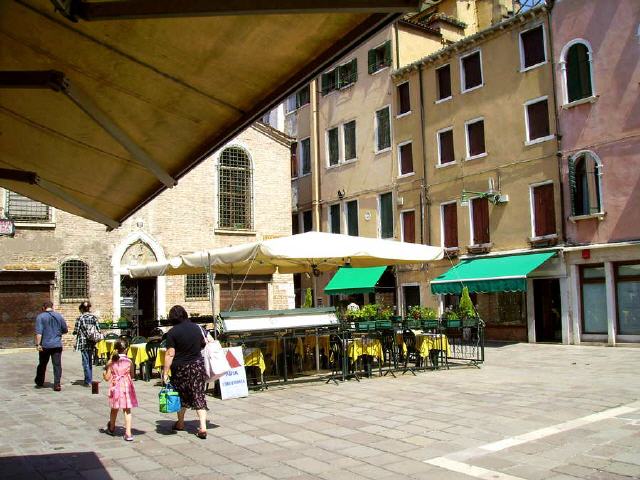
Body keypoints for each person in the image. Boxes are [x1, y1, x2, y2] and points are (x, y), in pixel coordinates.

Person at [162, 305, 210, 439]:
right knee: (198, 394)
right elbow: (205, 343)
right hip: (196, 366)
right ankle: (203, 427)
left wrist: (165, 372)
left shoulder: (172, 333)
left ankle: (181, 423)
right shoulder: (197, 328)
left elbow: (170, 354)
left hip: (180, 369)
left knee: (181, 396)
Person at [103, 339, 138, 441]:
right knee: (127, 410)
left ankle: (112, 427)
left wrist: (104, 374)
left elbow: (107, 378)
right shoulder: (129, 361)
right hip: (126, 387)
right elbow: (132, 375)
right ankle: (128, 433)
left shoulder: (111, 362)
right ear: (126, 349)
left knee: (114, 409)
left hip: (116, 387)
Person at [34, 301, 68, 391]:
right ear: (52, 306)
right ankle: (57, 384)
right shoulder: (59, 316)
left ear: (43, 307)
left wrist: (38, 344)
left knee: (42, 364)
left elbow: (39, 333)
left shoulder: (40, 317)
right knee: (57, 365)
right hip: (57, 344)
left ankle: (40, 381)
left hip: (45, 345)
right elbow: (65, 329)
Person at [73, 301, 101, 387]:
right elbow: (98, 330)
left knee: (85, 361)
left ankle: (88, 380)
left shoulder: (80, 318)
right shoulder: (94, 317)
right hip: (92, 342)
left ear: (81, 309)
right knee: (89, 361)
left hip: (83, 342)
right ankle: (89, 378)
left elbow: (76, 331)